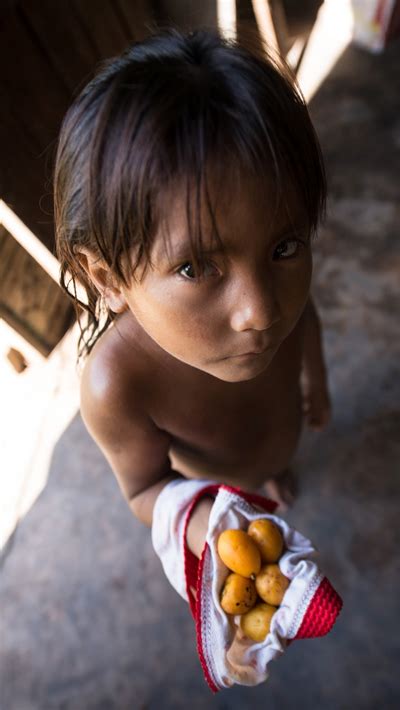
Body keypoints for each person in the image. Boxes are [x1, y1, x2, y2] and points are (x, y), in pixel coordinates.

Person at [54, 28, 331, 564]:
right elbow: (144, 490)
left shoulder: (283, 302)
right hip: (221, 482)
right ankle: (256, 484)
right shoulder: (118, 387)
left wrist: (316, 379)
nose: (262, 312)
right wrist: (205, 521)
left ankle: (275, 470)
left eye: (285, 246)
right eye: (194, 267)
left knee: (275, 464)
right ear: (108, 279)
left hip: (280, 436)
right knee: (246, 492)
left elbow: (307, 319)